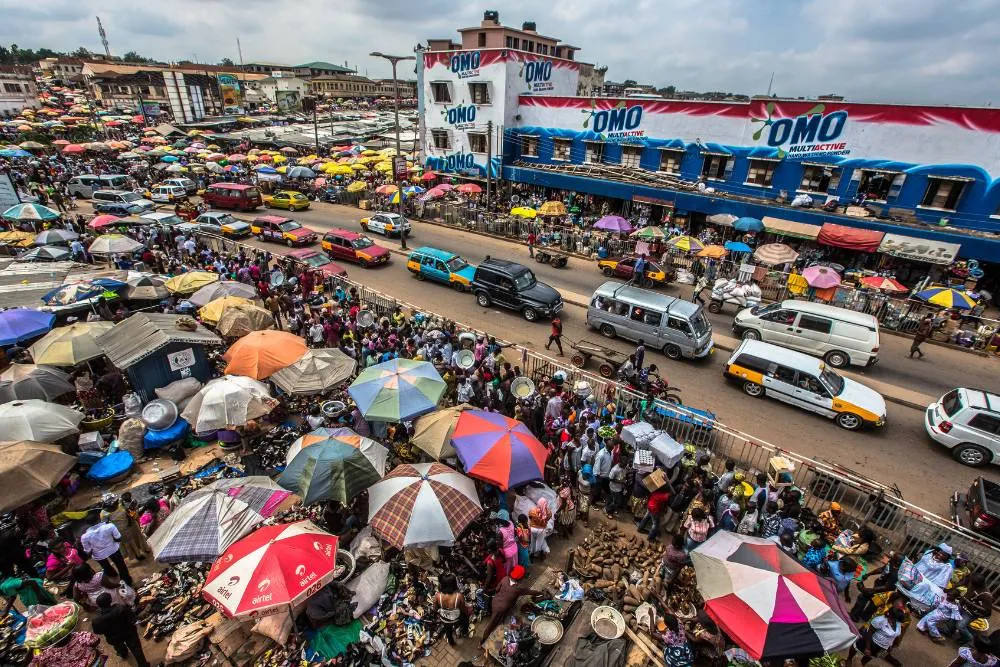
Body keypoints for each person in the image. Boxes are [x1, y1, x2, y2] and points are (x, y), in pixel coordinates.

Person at [92, 592, 149, 667]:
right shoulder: (120, 608)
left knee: (119, 646)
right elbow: (132, 618)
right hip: (129, 633)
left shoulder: (97, 620)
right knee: (136, 649)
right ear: (110, 600)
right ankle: (143, 665)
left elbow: (98, 631)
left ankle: (123, 653)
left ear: (99, 605)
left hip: (113, 638)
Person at [80, 512, 133, 586]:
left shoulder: (84, 537)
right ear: (98, 519)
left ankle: (115, 580)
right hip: (113, 549)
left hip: (99, 555)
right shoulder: (110, 526)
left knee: (106, 568)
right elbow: (118, 538)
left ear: (88, 524)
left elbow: (88, 551)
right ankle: (127, 581)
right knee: (121, 566)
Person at [434, 572, 471, 646]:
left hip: (445, 619)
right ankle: (464, 632)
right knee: (466, 620)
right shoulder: (459, 596)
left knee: (448, 630)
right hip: (456, 619)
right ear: (454, 584)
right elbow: (463, 608)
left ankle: (451, 642)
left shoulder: (438, 596)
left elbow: (435, 608)